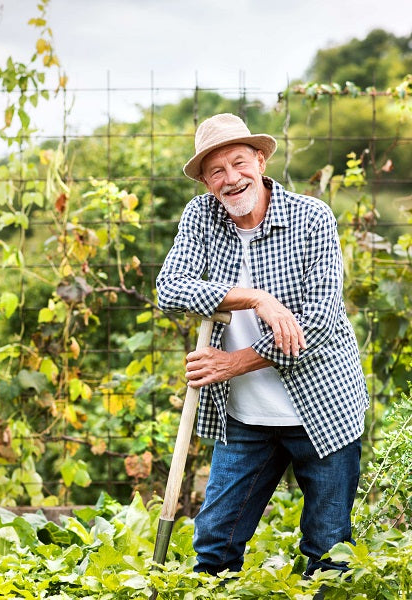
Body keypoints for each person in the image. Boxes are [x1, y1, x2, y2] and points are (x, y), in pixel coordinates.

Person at [156, 113, 369, 578]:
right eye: (216, 171)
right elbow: (170, 287)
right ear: (207, 182)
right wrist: (257, 299)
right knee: (214, 545)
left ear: (260, 158)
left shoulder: (312, 218)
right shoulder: (202, 217)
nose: (231, 179)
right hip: (246, 418)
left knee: (328, 551)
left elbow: (317, 322)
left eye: (238, 162)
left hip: (323, 408)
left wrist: (233, 362)